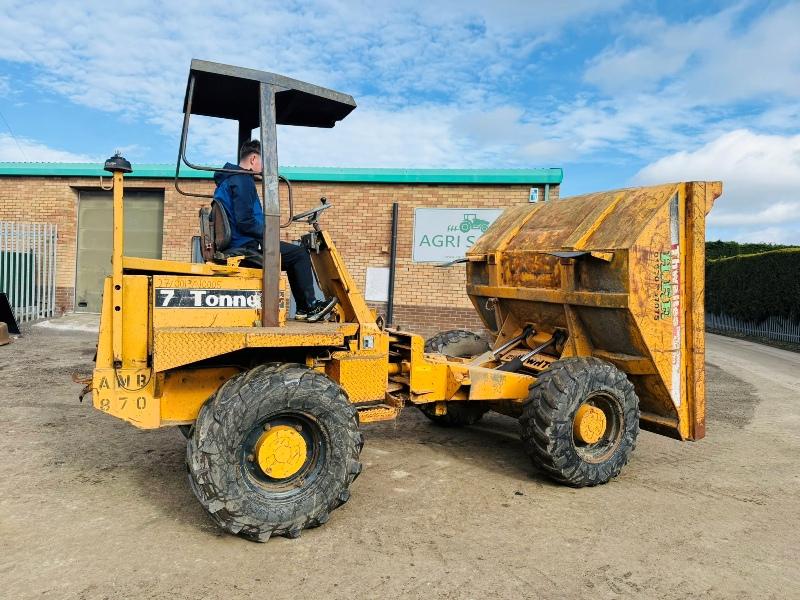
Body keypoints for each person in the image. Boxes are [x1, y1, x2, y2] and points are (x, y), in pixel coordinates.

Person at [213, 140, 335, 321]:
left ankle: (303, 308)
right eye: (263, 162)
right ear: (254, 159)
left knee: (292, 255)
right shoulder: (241, 179)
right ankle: (309, 306)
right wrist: (270, 234)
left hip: (240, 242)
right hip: (246, 245)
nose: (264, 168)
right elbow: (245, 222)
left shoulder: (228, 180)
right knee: (299, 254)